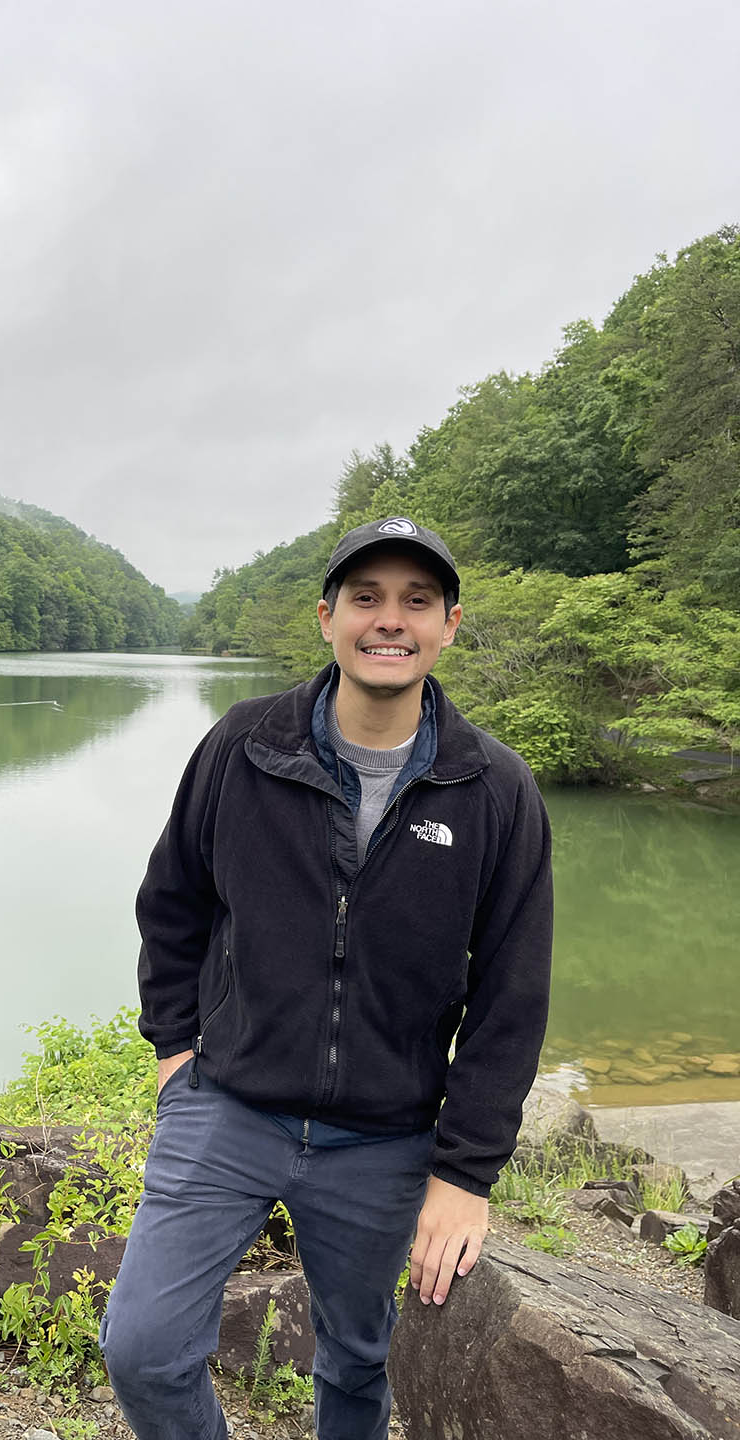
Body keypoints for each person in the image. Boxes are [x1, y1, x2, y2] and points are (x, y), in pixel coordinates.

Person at [99, 516, 553, 1440]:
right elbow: (174, 902)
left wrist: (465, 1173)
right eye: (367, 598)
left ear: (449, 626)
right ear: (327, 617)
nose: (390, 621)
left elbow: (513, 995)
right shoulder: (244, 746)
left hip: (386, 1137)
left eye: (416, 602)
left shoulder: (494, 789)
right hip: (227, 1105)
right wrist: (174, 1053)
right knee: (142, 1350)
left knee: (358, 1358)